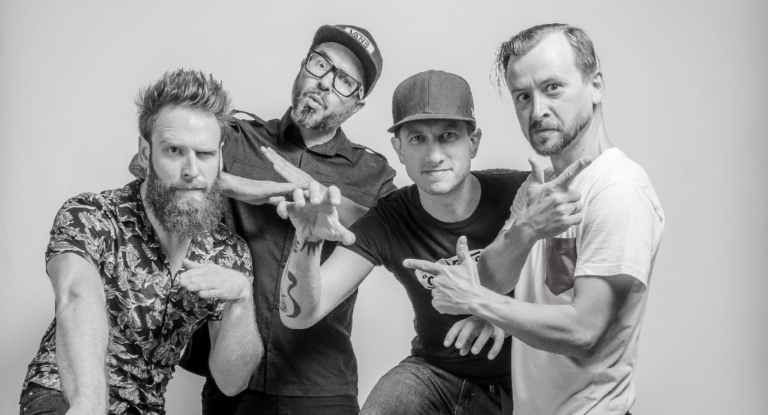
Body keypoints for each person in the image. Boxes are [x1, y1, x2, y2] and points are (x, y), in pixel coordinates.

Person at [404, 24, 665, 415]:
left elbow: (584, 331)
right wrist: (527, 230)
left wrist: (480, 303)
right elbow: (495, 280)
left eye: (553, 88)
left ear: (595, 86)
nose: (537, 110)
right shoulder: (537, 185)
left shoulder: (618, 190)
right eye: (523, 96)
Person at [167, 24, 397, 415]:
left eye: (345, 81)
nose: (325, 83)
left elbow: (400, 237)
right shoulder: (235, 137)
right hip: (232, 382)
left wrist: (331, 202)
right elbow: (151, 167)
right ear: (303, 66)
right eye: (320, 64)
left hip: (322, 389)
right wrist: (237, 185)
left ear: (356, 106)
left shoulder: (373, 173)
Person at [276, 70, 529, 415]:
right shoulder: (390, 220)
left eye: (448, 136)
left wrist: (503, 313)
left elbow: (579, 293)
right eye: (417, 139)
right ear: (398, 149)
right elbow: (302, 314)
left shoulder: (520, 194)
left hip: (530, 375)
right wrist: (306, 242)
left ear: (473, 142)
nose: (434, 155)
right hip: (436, 375)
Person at [19, 69, 261, 415]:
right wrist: (88, 403)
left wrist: (241, 300)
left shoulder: (229, 252)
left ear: (220, 156)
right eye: (174, 150)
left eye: (205, 154)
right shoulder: (92, 215)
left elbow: (230, 382)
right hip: (65, 397)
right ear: (146, 152)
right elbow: (76, 296)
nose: (191, 170)